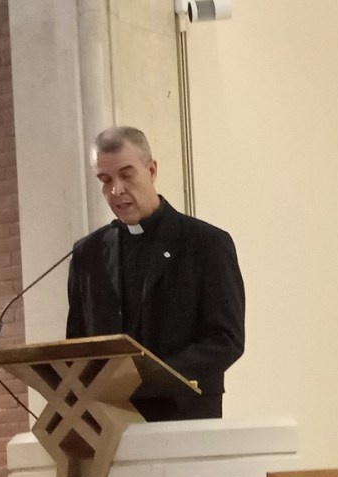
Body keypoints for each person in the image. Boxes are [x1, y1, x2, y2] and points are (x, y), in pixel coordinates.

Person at [66, 126, 245, 421]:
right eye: (105, 180)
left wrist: (149, 380)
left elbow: (226, 340)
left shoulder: (205, 244)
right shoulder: (89, 254)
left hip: (185, 415)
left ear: (151, 170)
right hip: (108, 421)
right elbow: (77, 345)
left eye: (126, 175)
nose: (116, 190)